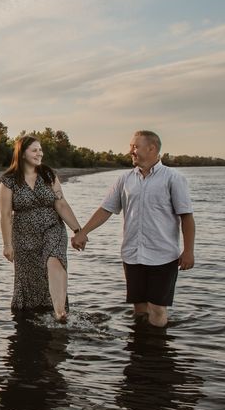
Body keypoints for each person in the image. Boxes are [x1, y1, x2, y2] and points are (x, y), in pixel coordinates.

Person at [71, 130, 195, 328]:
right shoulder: (125, 179)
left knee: (157, 309)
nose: (131, 151)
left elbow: (186, 217)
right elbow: (106, 209)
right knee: (139, 309)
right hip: (132, 254)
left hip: (162, 256)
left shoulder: (173, 178)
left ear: (152, 148)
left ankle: (157, 352)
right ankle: (138, 352)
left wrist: (188, 251)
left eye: (135, 146)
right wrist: (83, 232)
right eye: (131, 147)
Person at [0, 136, 85, 322]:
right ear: (22, 154)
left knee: (55, 260)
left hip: (53, 227)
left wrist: (79, 231)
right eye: (34, 150)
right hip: (24, 235)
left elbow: (61, 204)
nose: (40, 153)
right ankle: (32, 317)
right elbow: (5, 215)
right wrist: (7, 245)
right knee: (30, 279)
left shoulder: (48, 174)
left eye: (41, 150)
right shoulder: (9, 181)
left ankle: (60, 313)